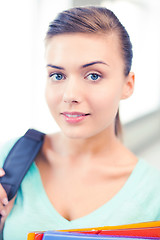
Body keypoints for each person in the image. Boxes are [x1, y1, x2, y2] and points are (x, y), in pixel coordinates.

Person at [0, 6, 160, 240]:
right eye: (58, 75)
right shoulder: (9, 158)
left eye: (93, 75)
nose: (70, 95)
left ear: (128, 85)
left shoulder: (153, 194)